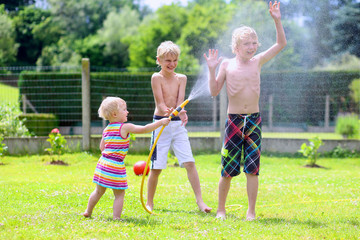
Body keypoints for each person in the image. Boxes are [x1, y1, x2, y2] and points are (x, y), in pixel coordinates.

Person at [203, 1, 287, 220]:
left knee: (253, 168)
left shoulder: (258, 61)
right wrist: (212, 70)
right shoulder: (227, 65)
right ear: (236, 47)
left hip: (254, 121)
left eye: (253, 43)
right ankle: (221, 209)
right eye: (246, 44)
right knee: (228, 168)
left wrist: (276, 19)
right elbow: (214, 91)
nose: (251, 47)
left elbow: (281, 43)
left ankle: (251, 211)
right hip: (234, 121)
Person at [146, 41, 212, 213]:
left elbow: (180, 102)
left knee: (190, 163)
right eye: (167, 60)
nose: (172, 64)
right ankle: (149, 203)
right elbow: (160, 103)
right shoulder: (156, 77)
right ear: (158, 60)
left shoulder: (181, 78)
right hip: (160, 125)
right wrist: (165, 111)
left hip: (177, 126)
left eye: (175, 60)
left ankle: (200, 202)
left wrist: (180, 112)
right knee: (156, 168)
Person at [83, 97, 170, 220]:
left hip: (103, 163)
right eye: (124, 109)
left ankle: (88, 211)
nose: (127, 112)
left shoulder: (106, 129)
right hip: (116, 165)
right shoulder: (125, 127)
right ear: (114, 114)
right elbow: (145, 129)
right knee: (119, 194)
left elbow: (102, 148)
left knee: (98, 191)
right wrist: (160, 122)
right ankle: (116, 217)